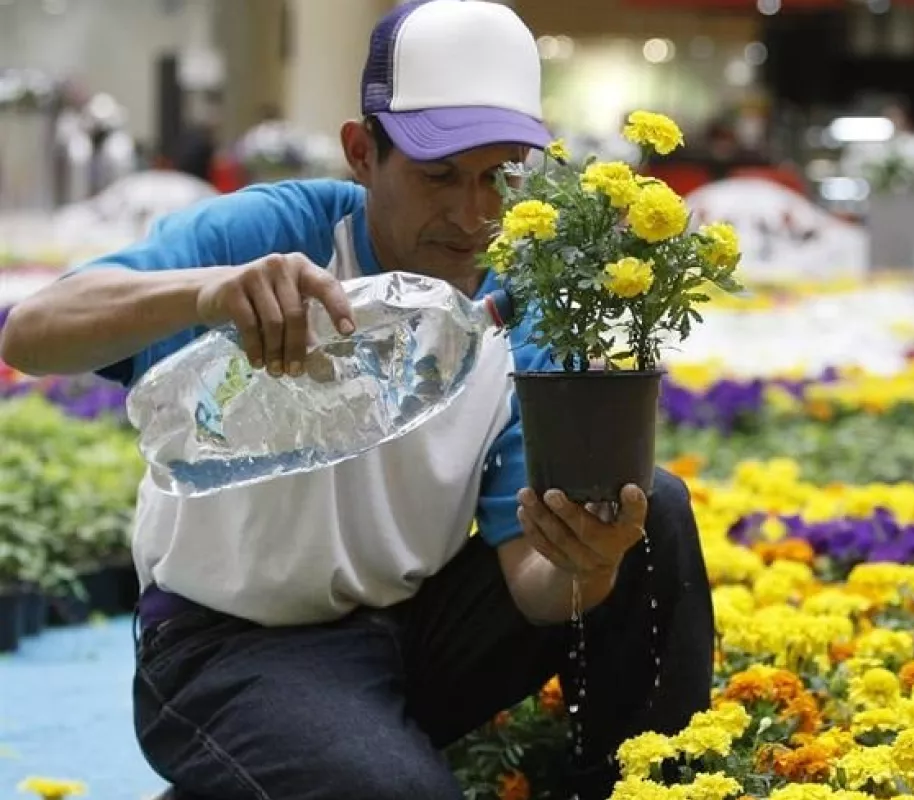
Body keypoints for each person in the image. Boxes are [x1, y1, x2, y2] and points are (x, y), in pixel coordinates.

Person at [0, 2, 714, 799]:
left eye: (499, 177)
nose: (474, 215)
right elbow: (32, 334)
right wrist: (208, 294)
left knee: (652, 510)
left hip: (409, 633)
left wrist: (592, 559)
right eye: (439, 176)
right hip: (232, 644)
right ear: (361, 153)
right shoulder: (274, 237)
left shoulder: (523, 301)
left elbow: (533, 583)